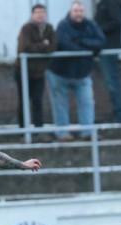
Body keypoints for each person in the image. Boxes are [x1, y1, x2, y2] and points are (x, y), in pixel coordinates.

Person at [47, 1, 106, 140]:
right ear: (70, 12)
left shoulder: (90, 24)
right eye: (76, 11)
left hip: (82, 73)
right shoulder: (63, 25)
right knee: (60, 104)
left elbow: (101, 41)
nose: (78, 13)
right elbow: (66, 45)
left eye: (81, 11)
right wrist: (88, 49)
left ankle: (87, 133)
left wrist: (81, 41)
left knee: (87, 102)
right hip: (60, 73)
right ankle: (63, 133)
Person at [15, 4, 57, 128]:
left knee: (38, 100)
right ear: (32, 15)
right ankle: (23, 129)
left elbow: (53, 46)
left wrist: (40, 46)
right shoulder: (26, 28)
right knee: (24, 101)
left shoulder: (49, 28)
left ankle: (39, 129)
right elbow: (25, 47)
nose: (40, 15)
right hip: (23, 71)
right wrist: (43, 44)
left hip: (39, 72)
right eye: (37, 12)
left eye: (42, 12)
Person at [95, 0, 121, 123]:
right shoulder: (103, 3)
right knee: (111, 82)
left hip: (110, 47)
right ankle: (117, 114)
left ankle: (119, 116)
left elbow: (116, 22)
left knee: (112, 82)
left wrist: (97, 30)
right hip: (104, 48)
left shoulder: (111, 3)